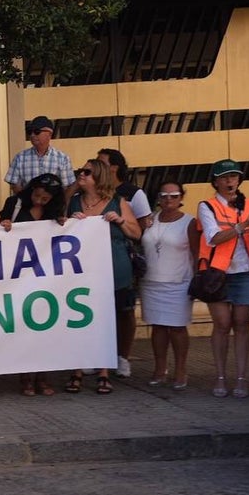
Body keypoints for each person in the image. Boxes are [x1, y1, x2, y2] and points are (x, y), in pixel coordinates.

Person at [66, 159, 141, 395]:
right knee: (82, 318)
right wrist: (70, 222)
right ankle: (77, 368)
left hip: (114, 267)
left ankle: (105, 371)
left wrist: (120, 221)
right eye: (80, 171)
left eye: (86, 172)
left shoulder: (118, 202)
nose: (81, 174)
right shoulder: (74, 202)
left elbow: (136, 232)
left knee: (110, 319)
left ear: (98, 176)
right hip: (84, 270)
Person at [0, 173, 66, 395]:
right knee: (24, 329)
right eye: (38, 194)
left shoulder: (55, 213)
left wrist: (69, 223)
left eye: (47, 197)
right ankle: (26, 378)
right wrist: (5, 224)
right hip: (18, 277)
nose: (41, 199)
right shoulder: (14, 204)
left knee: (44, 329)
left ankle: (43, 378)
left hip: (46, 279)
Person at [195, 159, 249, 398]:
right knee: (221, 324)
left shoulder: (248, 205)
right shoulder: (206, 206)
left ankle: (241, 379)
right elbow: (213, 238)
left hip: (245, 272)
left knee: (241, 324)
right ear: (216, 181)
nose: (230, 181)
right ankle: (219, 377)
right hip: (217, 273)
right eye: (225, 177)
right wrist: (241, 227)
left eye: (234, 176)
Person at [97, 148, 152, 379]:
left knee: (125, 310)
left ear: (114, 168)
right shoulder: (92, 193)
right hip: (97, 262)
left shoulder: (132, 193)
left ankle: (123, 357)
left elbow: (143, 227)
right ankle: (99, 357)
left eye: (101, 163)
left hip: (123, 259)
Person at [140, 182, 194, 391]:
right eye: (164, 195)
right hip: (151, 281)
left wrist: (198, 278)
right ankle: (160, 368)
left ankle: (181, 369)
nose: (168, 199)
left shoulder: (189, 222)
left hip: (178, 282)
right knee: (158, 327)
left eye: (173, 195)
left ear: (181, 197)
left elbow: (197, 253)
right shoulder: (150, 220)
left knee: (178, 328)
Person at [4, 116, 75, 196]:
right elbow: (14, 184)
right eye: (29, 132)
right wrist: (28, 201)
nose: (32, 135)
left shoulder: (62, 158)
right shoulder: (20, 158)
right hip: (26, 206)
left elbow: (66, 187)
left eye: (37, 131)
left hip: (52, 206)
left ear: (49, 134)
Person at [0, 173, 66, 228]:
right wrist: (5, 224)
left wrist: (64, 223)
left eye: (44, 199)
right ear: (32, 189)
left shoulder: (55, 209)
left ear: (53, 198)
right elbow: (0, 227)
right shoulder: (13, 202)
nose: (38, 201)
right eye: (36, 195)